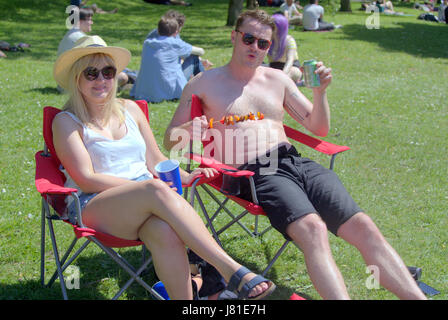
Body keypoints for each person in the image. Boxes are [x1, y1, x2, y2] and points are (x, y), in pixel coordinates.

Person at [163, 9, 427, 300]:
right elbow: (170, 139)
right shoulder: (203, 83)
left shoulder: (278, 80)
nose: (255, 48)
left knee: (364, 226)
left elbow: (318, 127)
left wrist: (320, 93)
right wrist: (191, 127)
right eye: (249, 39)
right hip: (254, 173)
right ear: (234, 37)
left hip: (296, 162)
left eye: (263, 43)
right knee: (313, 229)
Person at [52, 35, 275, 300]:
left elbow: (156, 160)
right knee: (155, 189)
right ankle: (232, 271)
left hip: (149, 201)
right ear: (77, 78)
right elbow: (86, 179)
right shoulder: (66, 122)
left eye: (108, 72)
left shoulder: (130, 110)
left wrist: (187, 176)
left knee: (164, 230)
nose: (101, 80)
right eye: (91, 73)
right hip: (95, 205)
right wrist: (146, 188)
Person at [130, 14, 208, 103]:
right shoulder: (175, 43)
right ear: (176, 32)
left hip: (143, 92)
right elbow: (201, 51)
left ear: (158, 30)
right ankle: (207, 86)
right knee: (194, 58)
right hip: (170, 91)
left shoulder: (147, 44)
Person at [57, 8, 128, 91]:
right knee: (123, 77)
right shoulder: (81, 39)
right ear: (79, 22)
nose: (92, 22)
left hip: (64, 84)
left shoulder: (70, 35)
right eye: (89, 20)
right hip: (74, 86)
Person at [267, 13, 303, 86]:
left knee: (292, 72)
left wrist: (284, 73)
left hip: (290, 67)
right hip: (274, 68)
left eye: (273, 26)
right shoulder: (268, 40)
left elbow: (290, 60)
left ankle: (282, 83)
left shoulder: (289, 40)